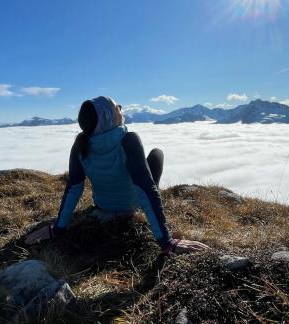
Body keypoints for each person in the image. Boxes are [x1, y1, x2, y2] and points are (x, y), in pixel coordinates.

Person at [25, 96, 210, 254]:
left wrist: (57, 229)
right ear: (108, 118)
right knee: (156, 155)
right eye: (116, 108)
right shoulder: (129, 140)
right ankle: (154, 204)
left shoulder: (80, 145)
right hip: (132, 205)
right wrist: (167, 242)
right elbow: (145, 188)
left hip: (103, 205)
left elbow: (73, 189)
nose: (120, 109)